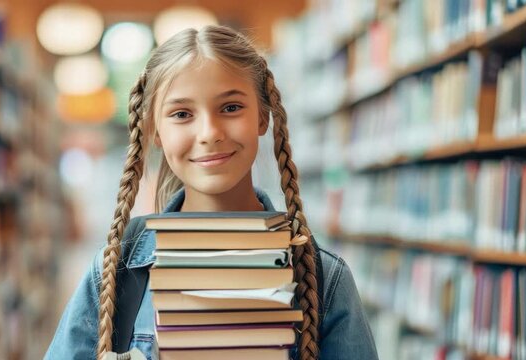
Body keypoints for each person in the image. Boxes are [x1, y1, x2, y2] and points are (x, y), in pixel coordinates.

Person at [46, 25, 378, 360]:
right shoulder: (116, 269)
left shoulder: (323, 277)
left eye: (231, 107)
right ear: (155, 131)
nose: (209, 133)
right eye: (181, 114)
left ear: (263, 117)